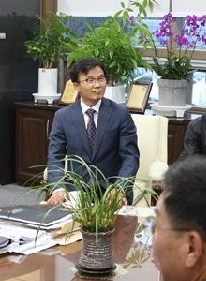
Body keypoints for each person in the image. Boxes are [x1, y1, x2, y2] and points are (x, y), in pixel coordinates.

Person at [45, 58, 140, 205]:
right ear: (76, 85)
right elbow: (55, 156)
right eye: (90, 80)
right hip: (75, 191)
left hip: (111, 191)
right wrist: (58, 188)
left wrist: (120, 188)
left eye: (101, 79)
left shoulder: (120, 114)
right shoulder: (63, 117)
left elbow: (131, 157)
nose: (97, 85)